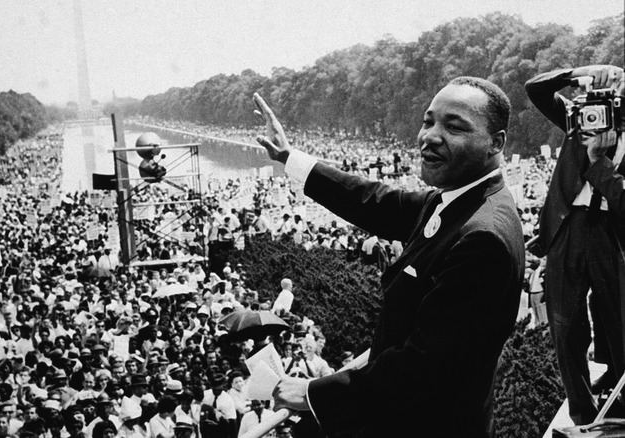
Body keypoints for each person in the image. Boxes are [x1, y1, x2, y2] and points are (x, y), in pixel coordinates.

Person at [254, 75, 525, 437]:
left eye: (454, 127)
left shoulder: (483, 237)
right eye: (428, 121)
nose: (430, 135)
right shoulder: (456, 201)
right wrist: (291, 158)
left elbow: (423, 364)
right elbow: (374, 202)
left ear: (496, 143)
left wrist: (311, 392)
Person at [525, 64, 625, 424]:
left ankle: (618, 400)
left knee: (618, 321)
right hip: (567, 227)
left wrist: (599, 160)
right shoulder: (579, 116)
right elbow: (535, 88)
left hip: (610, 232)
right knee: (565, 326)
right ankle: (582, 409)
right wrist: (580, 73)